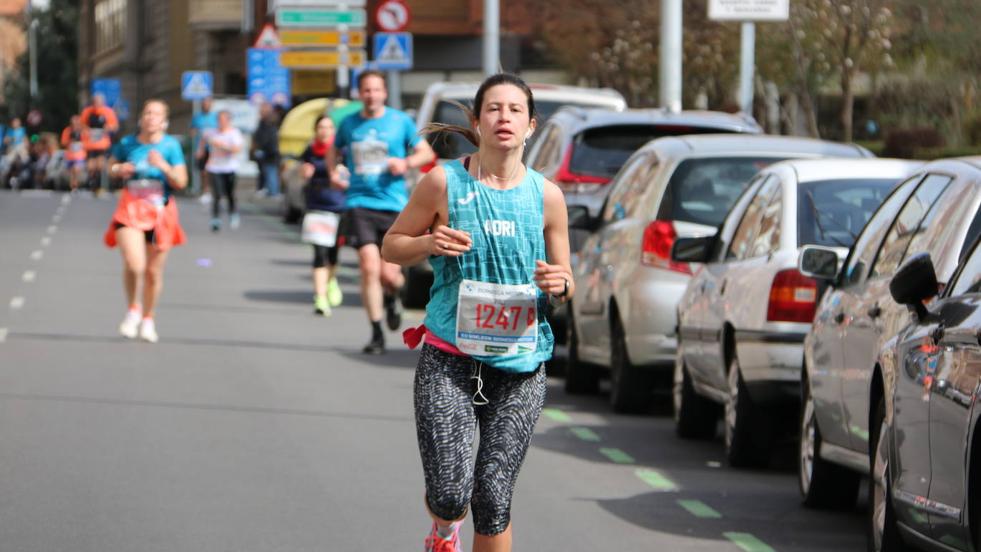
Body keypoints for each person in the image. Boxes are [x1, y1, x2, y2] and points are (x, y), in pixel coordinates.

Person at [380, 73, 574, 552]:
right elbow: (391, 246)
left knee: (493, 496)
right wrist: (428, 242)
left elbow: (566, 276)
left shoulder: (547, 196)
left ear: (530, 126)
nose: (503, 118)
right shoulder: (444, 181)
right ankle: (445, 530)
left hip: (521, 364)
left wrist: (561, 283)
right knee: (450, 493)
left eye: (514, 110)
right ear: (476, 121)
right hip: (449, 356)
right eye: (493, 109)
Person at [328, 69, 435, 354]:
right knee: (368, 267)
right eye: (366, 90)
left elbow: (427, 154)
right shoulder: (349, 124)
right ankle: (376, 332)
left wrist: (406, 163)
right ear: (359, 94)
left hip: (394, 205)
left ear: (384, 93)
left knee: (389, 275)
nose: (371, 95)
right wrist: (333, 173)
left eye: (376, 90)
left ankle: (392, 297)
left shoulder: (400, 122)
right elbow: (333, 150)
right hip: (359, 202)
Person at [103, 99, 187, 343]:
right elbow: (111, 167)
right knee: (134, 264)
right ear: (141, 118)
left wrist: (163, 166)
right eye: (147, 112)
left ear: (164, 121)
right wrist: (120, 169)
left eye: (156, 114)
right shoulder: (128, 143)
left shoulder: (171, 146)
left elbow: (181, 181)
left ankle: (148, 318)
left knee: (152, 272)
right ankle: (133, 309)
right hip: (130, 209)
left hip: (160, 213)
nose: (151, 117)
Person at [300, 115, 345, 316]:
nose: (324, 130)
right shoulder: (309, 151)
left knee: (333, 254)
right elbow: (300, 171)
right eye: (320, 127)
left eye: (328, 127)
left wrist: (343, 173)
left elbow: (349, 174)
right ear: (315, 130)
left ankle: (331, 280)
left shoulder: (341, 151)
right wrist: (304, 172)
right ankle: (320, 297)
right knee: (319, 253)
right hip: (316, 208)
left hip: (338, 207)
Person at [204, 110, 244, 231]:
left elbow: (237, 149)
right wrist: (207, 159)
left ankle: (233, 213)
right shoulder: (212, 133)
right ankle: (215, 219)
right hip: (215, 168)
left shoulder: (234, 133)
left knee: (230, 194)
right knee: (216, 195)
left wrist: (222, 145)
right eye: (219, 119)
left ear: (228, 120)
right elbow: (207, 144)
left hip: (229, 167)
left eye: (223, 120)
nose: (220, 122)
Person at [81, 93, 119, 193]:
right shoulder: (87, 112)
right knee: (91, 165)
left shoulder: (108, 112)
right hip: (90, 143)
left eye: (98, 102)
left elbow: (114, 126)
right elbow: (82, 125)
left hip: (103, 143)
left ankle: (100, 185)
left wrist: (107, 129)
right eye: (94, 102)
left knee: (101, 164)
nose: (96, 104)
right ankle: (91, 183)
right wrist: (88, 130)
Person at [191, 96, 218, 204]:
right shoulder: (197, 117)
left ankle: (211, 191)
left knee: (211, 170)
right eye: (204, 103)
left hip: (213, 149)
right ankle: (205, 191)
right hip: (201, 148)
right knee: (203, 171)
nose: (206, 105)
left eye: (208, 103)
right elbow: (192, 131)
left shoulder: (215, 117)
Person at [251, 102, 281, 197]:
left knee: (271, 171)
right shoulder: (262, 122)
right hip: (265, 151)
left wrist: (263, 147)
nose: (260, 112)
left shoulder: (270, 121)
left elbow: (268, 138)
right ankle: (267, 189)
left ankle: (273, 192)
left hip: (270, 151)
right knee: (265, 171)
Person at [61, 115, 87, 192]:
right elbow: (63, 142)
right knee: (71, 172)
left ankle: (75, 186)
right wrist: (70, 141)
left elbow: (87, 142)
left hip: (79, 156)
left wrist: (81, 143)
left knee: (76, 169)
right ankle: (72, 186)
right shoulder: (67, 131)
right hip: (70, 156)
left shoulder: (83, 131)